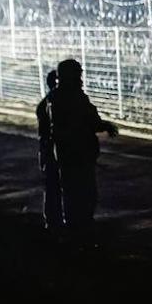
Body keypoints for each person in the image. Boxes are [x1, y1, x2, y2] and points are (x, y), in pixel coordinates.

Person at [46, 58, 118, 234]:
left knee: (75, 191)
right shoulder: (70, 97)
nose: (80, 78)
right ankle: (79, 227)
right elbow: (88, 120)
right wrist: (104, 126)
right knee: (81, 191)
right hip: (76, 152)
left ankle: (76, 225)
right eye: (77, 74)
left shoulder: (58, 97)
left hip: (70, 152)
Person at [35, 69, 62, 231]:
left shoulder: (46, 103)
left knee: (52, 186)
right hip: (53, 150)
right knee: (56, 186)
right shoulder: (53, 103)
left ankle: (52, 221)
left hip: (48, 150)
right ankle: (55, 221)